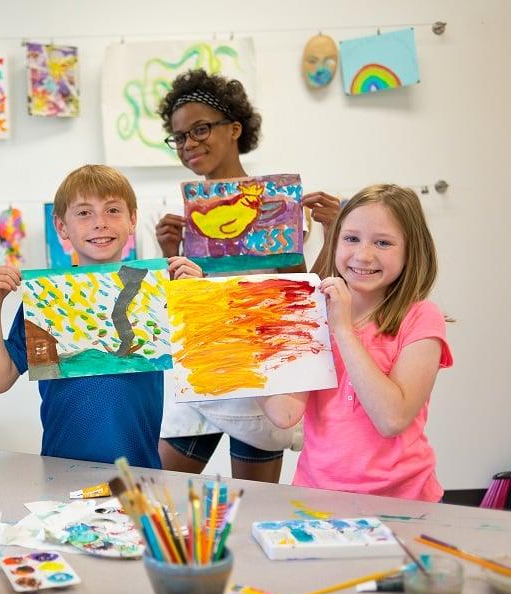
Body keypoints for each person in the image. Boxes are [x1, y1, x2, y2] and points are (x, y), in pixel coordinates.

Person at [155, 69, 342, 481]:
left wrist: (331, 233)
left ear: (234, 128)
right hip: (204, 368)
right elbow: (173, 306)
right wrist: (169, 254)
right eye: (180, 137)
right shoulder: (175, 206)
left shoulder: (277, 204)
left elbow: (302, 294)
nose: (189, 144)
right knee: (162, 492)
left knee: (256, 503)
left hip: (262, 373)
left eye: (200, 129)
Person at [0, 165, 202, 468]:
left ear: (132, 220)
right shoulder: (47, 297)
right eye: (84, 213)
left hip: (139, 471)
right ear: (61, 227)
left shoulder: (157, 292)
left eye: (113, 210)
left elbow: (204, 367)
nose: (100, 223)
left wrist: (199, 299)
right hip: (60, 472)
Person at [257, 184, 452, 501]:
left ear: (411, 250)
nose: (363, 255)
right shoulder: (311, 313)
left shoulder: (422, 317)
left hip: (405, 500)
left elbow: (392, 419)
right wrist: (246, 350)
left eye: (383, 243)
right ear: (335, 242)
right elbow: (284, 413)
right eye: (351, 239)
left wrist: (344, 330)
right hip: (317, 496)